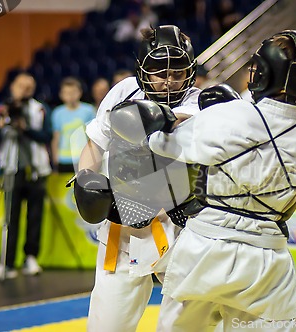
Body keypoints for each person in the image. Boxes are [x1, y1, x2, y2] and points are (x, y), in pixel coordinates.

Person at [143, 30, 296, 331]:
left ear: (263, 74)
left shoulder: (228, 116)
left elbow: (162, 142)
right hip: (267, 257)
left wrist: (178, 117)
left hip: (205, 247)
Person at [73, 25, 201, 331]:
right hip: (124, 225)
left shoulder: (202, 102)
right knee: (106, 326)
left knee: (185, 326)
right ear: (144, 70)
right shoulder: (122, 91)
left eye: (177, 72)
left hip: (182, 228)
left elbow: (190, 119)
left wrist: (160, 116)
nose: (170, 80)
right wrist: (85, 179)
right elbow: (94, 143)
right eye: (160, 72)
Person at [0, 72, 52, 279]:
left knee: (34, 216)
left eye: (29, 86)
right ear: (13, 86)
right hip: (11, 168)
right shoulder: (0, 109)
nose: (25, 89)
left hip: (36, 168)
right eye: (21, 85)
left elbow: (46, 136)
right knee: (10, 217)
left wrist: (26, 129)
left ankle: (30, 257)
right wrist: (0, 126)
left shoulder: (39, 108)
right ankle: (6, 262)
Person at [51, 77, 95, 173]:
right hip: (63, 159)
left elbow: (93, 136)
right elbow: (56, 137)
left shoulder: (89, 110)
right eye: (66, 93)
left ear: (80, 92)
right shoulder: (57, 113)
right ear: (61, 95)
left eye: (73, 92)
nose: (70, 96)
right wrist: (55, 159)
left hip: (83, 158)